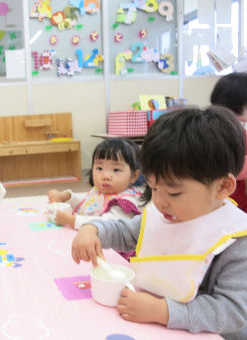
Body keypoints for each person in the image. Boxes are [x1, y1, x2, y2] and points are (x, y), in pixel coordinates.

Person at [71, 107, 247, 339]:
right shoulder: (163, 214)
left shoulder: (234, 240)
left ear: (223, 187)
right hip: (153, 322)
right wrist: (92, 228)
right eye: (153, 188)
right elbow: (127, 231)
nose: (160, 202)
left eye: (174, 193)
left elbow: (232, 311)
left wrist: (163, 312)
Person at [47, 138, 142, 230]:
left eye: (116, 170)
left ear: (134, 176)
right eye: (99, 168)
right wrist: (67, 197)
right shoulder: (100, 190)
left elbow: (107, 224)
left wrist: (72, 220)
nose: (105, 176)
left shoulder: (125, 202)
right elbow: (87, 202)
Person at [210, 72, 247, 213]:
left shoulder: (234, 127)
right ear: (236, 104)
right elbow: (227, 168)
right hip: (228, 198)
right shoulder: (223, 129)